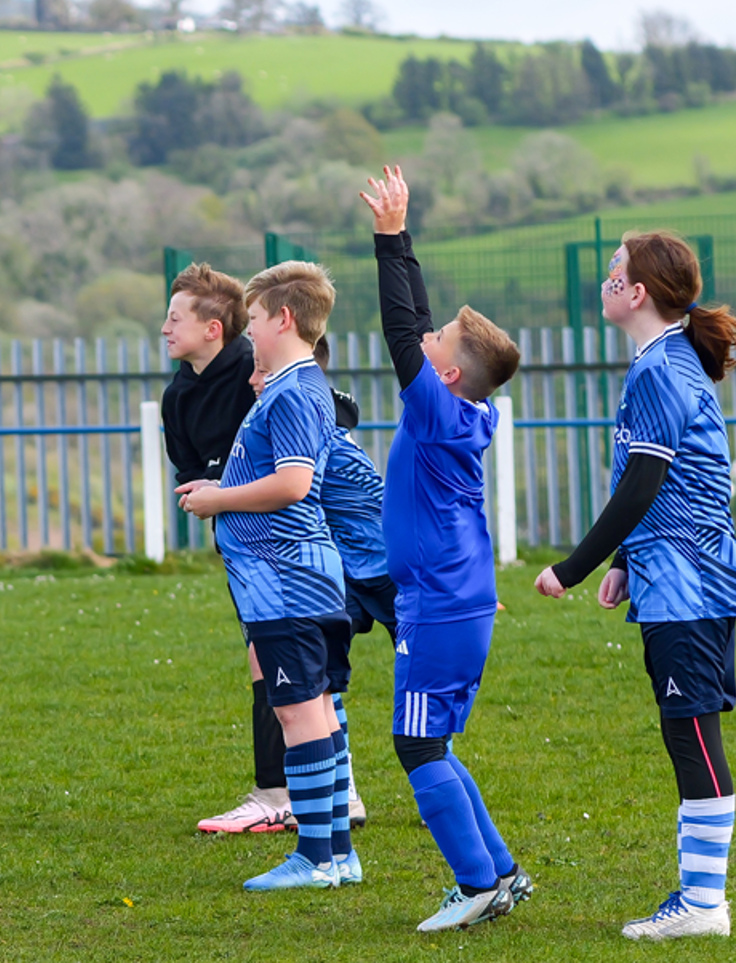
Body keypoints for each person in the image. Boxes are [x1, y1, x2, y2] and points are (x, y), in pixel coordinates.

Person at [533, 232, 736, 941]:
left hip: (690, 580)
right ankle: (699, 898)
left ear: (638, 292)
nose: (605, 281)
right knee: (686, 730)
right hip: (678, 575)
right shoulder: (662, 359)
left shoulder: (659, 368)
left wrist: (573, 567)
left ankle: (704, 905)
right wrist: (626, 560)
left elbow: (642, 483)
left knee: (692, 733)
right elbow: (665, 482)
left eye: (614, 271)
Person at [360, 165, 529, 931]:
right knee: (435, 744)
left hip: (437, 607)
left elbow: (402, 331)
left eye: (437, 345)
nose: (424, 340)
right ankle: (500, 874)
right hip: (459, 603)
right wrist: (402, 245)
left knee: (416, 746)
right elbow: (420, 329)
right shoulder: (466, 408)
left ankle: (475, 885)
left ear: (448, 372)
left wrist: (389, 238)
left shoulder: (436, 412)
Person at [176, 262, 357, 892]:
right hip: (297, 579)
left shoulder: (293, 391)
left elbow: (294, 484)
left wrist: (217, 500)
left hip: (286, 581)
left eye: (252, 319)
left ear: (283, 319)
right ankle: (338, 854)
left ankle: (315, 857)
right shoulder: (293, 386)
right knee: (319, 715)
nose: (247, 331)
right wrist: (220, 487)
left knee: (299, 717)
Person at [160, 263, 290, 836]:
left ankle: (277, 794)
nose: (164, 328)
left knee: (290, 660)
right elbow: (191, 477)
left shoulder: (258, 370)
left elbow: (314, 435)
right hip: (241, 544)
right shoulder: (176, 397)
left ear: (213, 329)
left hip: (294, 536)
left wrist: (224, 490)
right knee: (278, 659)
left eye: (175, 318)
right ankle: (324, 791)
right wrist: (209, 494)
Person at [312, 335, 393, 829]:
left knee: (422, 680)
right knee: (321, 675)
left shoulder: (313, 408)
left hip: (392, 567)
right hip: (338, 570)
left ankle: (438, 783)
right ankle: (345, 793)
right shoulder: (309, 405)